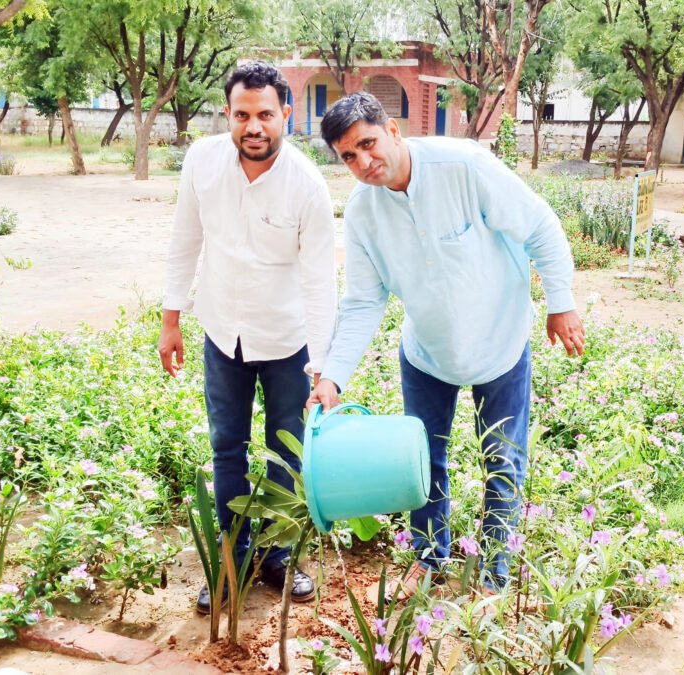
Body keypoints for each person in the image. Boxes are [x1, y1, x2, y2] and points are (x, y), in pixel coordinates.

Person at [309, 92, 585, 595]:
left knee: (502, 458)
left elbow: (540, 226)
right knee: (422, 458)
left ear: (392, 130)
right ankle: (429, 556)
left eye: (368, 144)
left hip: (500, 345)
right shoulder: (363, 213)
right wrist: (332, 376)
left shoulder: (464, 166)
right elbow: (363, 302)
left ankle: (497, 566)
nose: (364, 162)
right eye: (348, 156)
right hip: (427, 355)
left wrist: (560, 302)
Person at [158, 61, 336, 613]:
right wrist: (171, 319)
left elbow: (319, 278)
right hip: (221, 332)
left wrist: (323, 365)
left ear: (286, 113)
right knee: (225, 446)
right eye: (242, 114)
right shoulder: (202, 162)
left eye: (265, 114)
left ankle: (279, 555)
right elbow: (185, 238)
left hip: (287, 343)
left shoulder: (307, 184)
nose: (253, 126)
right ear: (228, 114)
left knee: (288, 449)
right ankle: (230, 556)